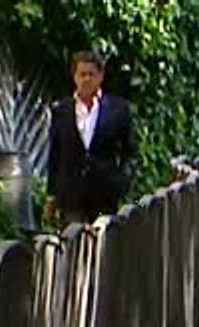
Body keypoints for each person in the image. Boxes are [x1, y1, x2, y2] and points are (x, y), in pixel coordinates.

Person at [45, 51, 137, 226]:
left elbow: (129, 150)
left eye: (91, 74)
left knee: (102, 245)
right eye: (82, 74)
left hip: (104, 192)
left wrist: (122, 181)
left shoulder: (117, 109)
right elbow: (55, 154)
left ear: (100, 77)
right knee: (74, 244)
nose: (86, 79)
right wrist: (52, 195)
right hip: (71, 193)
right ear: (74, 77)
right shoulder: (61, 111)